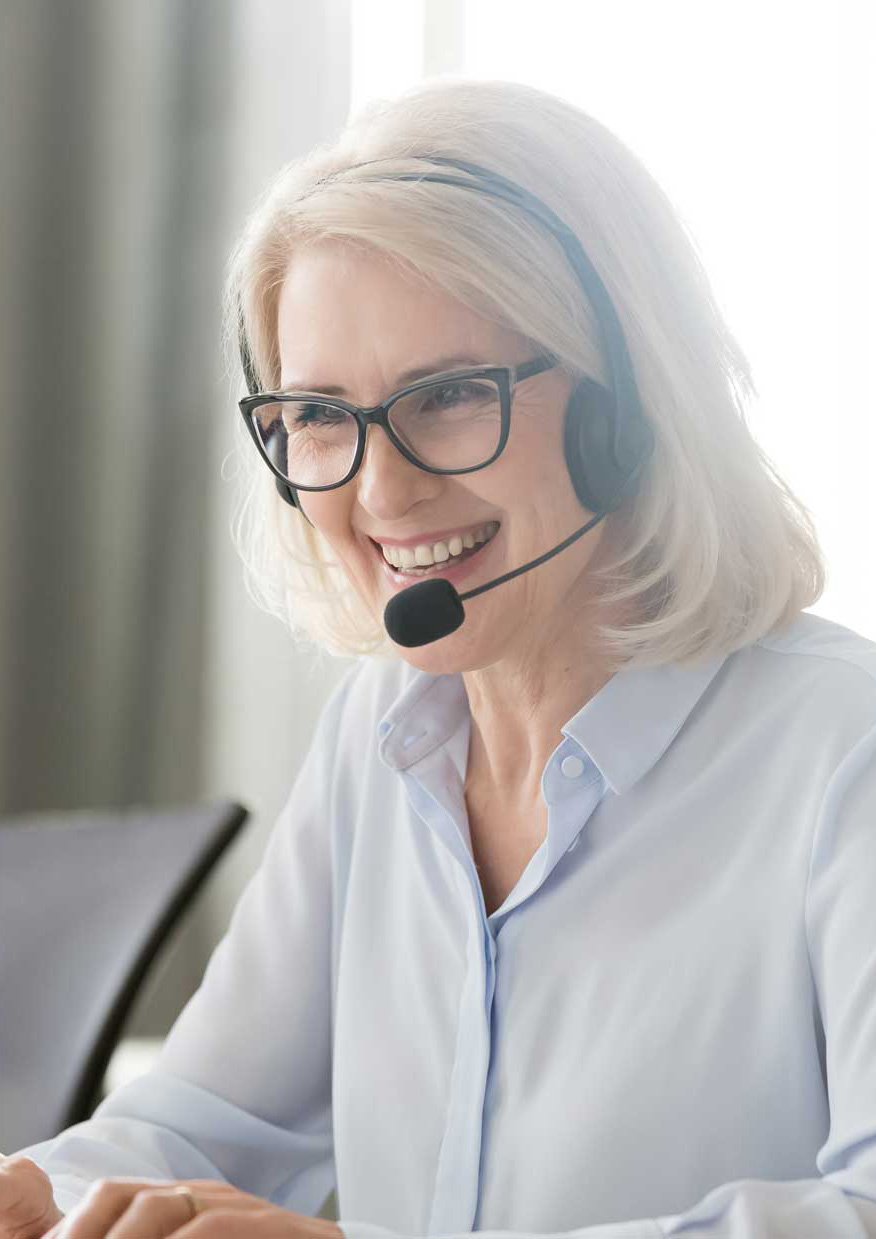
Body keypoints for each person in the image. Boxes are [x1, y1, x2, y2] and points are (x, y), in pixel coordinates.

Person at [3, 76, 876, 1239]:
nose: (381, 492)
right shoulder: (386, 736)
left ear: (627, 409)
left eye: (452, 395)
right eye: (317, 415)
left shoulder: (841, 757)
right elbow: (198, 1124)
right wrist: (37, 1196)